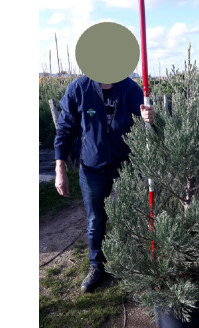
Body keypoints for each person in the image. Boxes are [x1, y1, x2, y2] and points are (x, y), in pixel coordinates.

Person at [54, 75, 155, 293]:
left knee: (130, 215)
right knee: (95, 220)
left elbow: (151, 130)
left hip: (126, 166)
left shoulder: (130, 89)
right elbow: (64, 129)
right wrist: (60, 168)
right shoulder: (79, 89)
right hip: (92, 169)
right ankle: (96, 266)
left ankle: (129, 263)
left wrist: (151, 119)